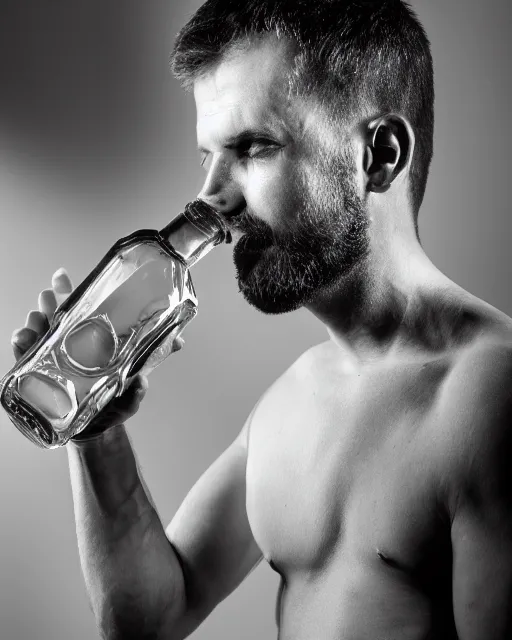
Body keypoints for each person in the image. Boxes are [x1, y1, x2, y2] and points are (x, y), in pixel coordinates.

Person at [11, 1, 512, 638]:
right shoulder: (292, 404)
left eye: (253, 147)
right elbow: (148, 617)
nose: (210, 198)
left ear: (380, 154)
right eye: (206, 157)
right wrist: (96, 434)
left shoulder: (490, 402)